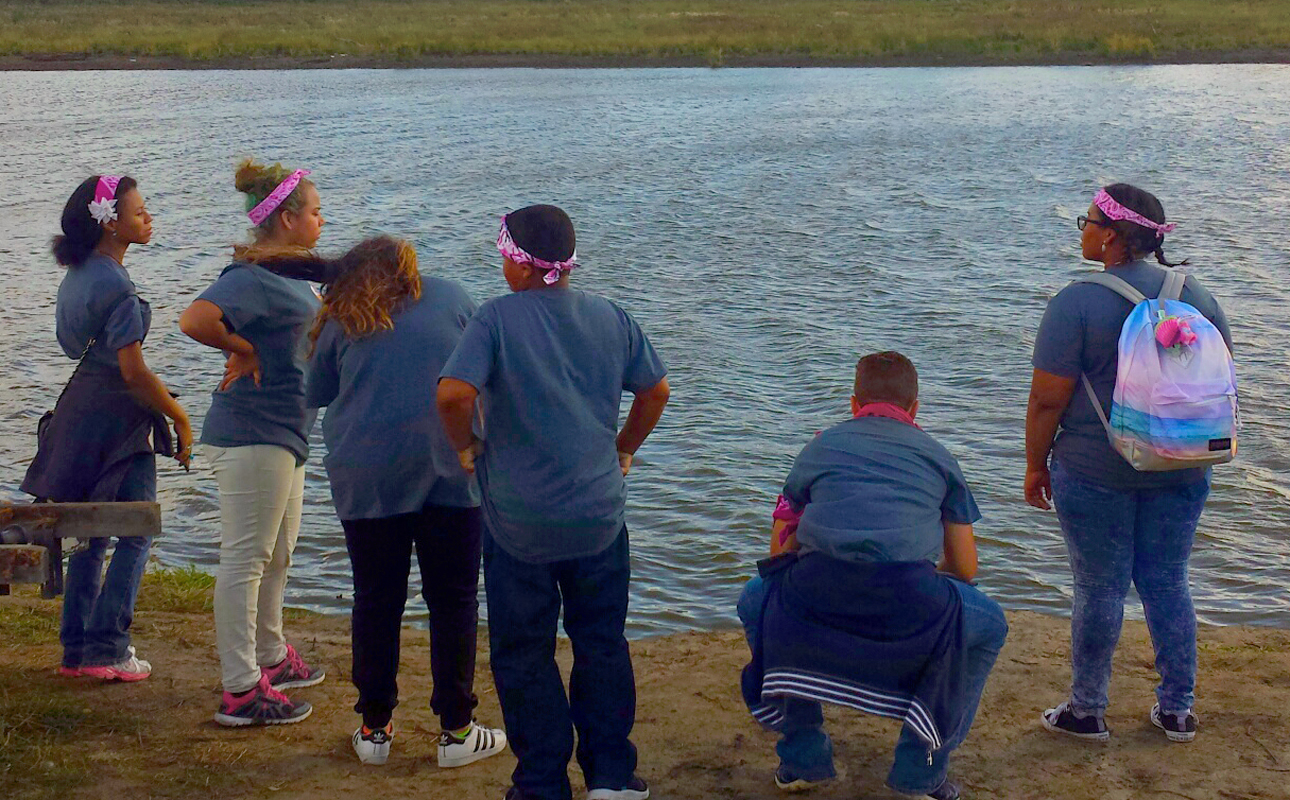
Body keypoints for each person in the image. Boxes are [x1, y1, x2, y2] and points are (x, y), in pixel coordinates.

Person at [437, 205, 670, 800]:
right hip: (597, 516)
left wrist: (466, 447)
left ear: (518, 263)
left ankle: (542, 781)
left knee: (522, 653)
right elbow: (656, 389)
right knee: (601, 642)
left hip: (519, 526)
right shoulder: (609, 316)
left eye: (504, 254)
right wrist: (624, 448)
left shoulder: (494, 320)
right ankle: (612, 776)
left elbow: (453, 393)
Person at [738, 351, 1008, 800]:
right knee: (989, 625)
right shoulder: (940, 458)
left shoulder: (820, 445)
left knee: (755, 599)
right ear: (915, 408)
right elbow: (965, 568)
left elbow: (778, 549)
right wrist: (921, 578)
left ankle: (803, 756)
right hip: (908, 600)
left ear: (853, 404)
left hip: (815, 594)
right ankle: (921, 771)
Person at [284, 236, 506, 766]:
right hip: (451, 471)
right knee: (453, 602)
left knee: (376, 599)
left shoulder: (340, 315)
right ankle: (456, 730)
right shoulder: (453, 298)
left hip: (367, 478)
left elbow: (316, 391)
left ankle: (375, 730)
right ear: (411, 270)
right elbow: (486, 375)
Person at [1026, 183, 1232, 743]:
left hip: (1095, 470)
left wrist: (1034, 465)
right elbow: (1220, 381)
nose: (1084, 230)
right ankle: (1177, 711)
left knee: (1100, 588)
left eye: (1087, 221)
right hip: (1183, 466)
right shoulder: (1200, 296)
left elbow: (1047, 399)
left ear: (1111, 234)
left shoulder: (1076, 303)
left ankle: (1088, 711)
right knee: (1168, 582)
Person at [23, 175, 192, 682]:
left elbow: (77, 350)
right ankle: (109, 647)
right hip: (118, 423)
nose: (149, 218)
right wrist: (179, 416)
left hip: (79, 416)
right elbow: (133, 371)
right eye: (140, 212)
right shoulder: (116, 282)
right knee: (138, 530)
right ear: (110, 223)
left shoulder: (76, 276)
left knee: (92, 535)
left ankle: (77, 649)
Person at [178, 158, 326, 726]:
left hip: (286, 434)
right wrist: (245, 350)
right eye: (315, 211)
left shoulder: (284, 274)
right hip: (253, 435)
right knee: (246, 559)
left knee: (278, 553)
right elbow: (195, 319)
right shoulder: (250, 277)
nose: (322, 220)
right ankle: (241, 689)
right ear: (287, 218)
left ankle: (270, 654)